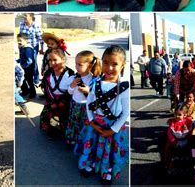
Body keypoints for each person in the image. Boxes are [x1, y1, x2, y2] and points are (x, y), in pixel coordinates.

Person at [76, 45, 129, 185]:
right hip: (96, 124)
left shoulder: (124, 87)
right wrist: (92, 121)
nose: (109, 68)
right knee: (92, 144)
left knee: (111, 149)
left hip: (113, 126)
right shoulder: (96, 83)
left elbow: (125, 113)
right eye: (106, 63)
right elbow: (89, 104)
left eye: (115, 64)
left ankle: (108, 169)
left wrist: (112, 130)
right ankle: (92, 163)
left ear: (123, 65)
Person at [65, 50, 101, 146]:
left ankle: (83, 143)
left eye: (80, 65)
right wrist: (72, 86)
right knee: (73, 123)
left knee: (84, 125)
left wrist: (88, 90)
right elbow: (69, 92)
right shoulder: (74, 77)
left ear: (89, 66)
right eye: (76, 64)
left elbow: (97, 95)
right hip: (75, 105)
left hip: (86, 107)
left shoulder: (94, 79)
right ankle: (72, 140)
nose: (76, 67)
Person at [39, 48, 74, 139]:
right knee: (51, 115)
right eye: (50, 60)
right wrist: (52, 102)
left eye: (55, 60)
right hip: (51, 100)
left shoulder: (70, 74)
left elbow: (71, 91)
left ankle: (62, 130)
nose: (52, 63)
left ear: (63, 60)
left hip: (64, 101)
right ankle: (53, 131)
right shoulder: (48, 73)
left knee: (62, 116)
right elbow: (46, 89)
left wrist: (62, 102)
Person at [19, 13, 44, 85]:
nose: (24, 17)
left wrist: (42, 49)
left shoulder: (36, 25)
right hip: (23, 47)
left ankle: (36, 80)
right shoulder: (22, 24)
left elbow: (40, 38)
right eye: (23, 15)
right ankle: (26, 79)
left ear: (31, 17)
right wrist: (19, 47)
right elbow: (20, 36)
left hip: (33, 48)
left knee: (33, 63)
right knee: (23, 62)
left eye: (25, 16)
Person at [17, 33, 36, 99]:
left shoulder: (28, 49)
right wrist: (18, 61)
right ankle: (25, 91)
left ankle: (32, 94)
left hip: (28, 69)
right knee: (23, 79)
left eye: (20, 40)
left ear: (26, 40)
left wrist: (23, 66)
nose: (19, 42)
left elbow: (29, 61)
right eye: (18, 40)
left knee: (30, 81)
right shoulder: (23, 48)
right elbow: (22, 58)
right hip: (25, 68)